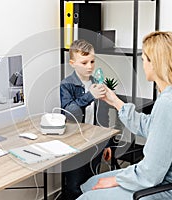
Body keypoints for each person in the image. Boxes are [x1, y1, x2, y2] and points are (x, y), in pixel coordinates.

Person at [77, 31, 172, 200]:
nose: (143, 63)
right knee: (92, 183)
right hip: (171, 180)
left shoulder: (169, 104)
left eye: (144, 59)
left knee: (88, 196)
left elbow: (151, 173)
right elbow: (151, 127)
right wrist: (115, 101)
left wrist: (115, 180)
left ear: (156, 63)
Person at [59, 39, 113, 199]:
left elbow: (103, 115)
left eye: (92, 61)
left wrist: (107, 143)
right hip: (75, 145)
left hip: (94, 143)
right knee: (74, 187)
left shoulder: (97, 83)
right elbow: (69, 113)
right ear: (72, 63)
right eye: (84, 62)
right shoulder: (67, 84)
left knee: (91, 183)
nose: (90, 66)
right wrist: (90, 96)